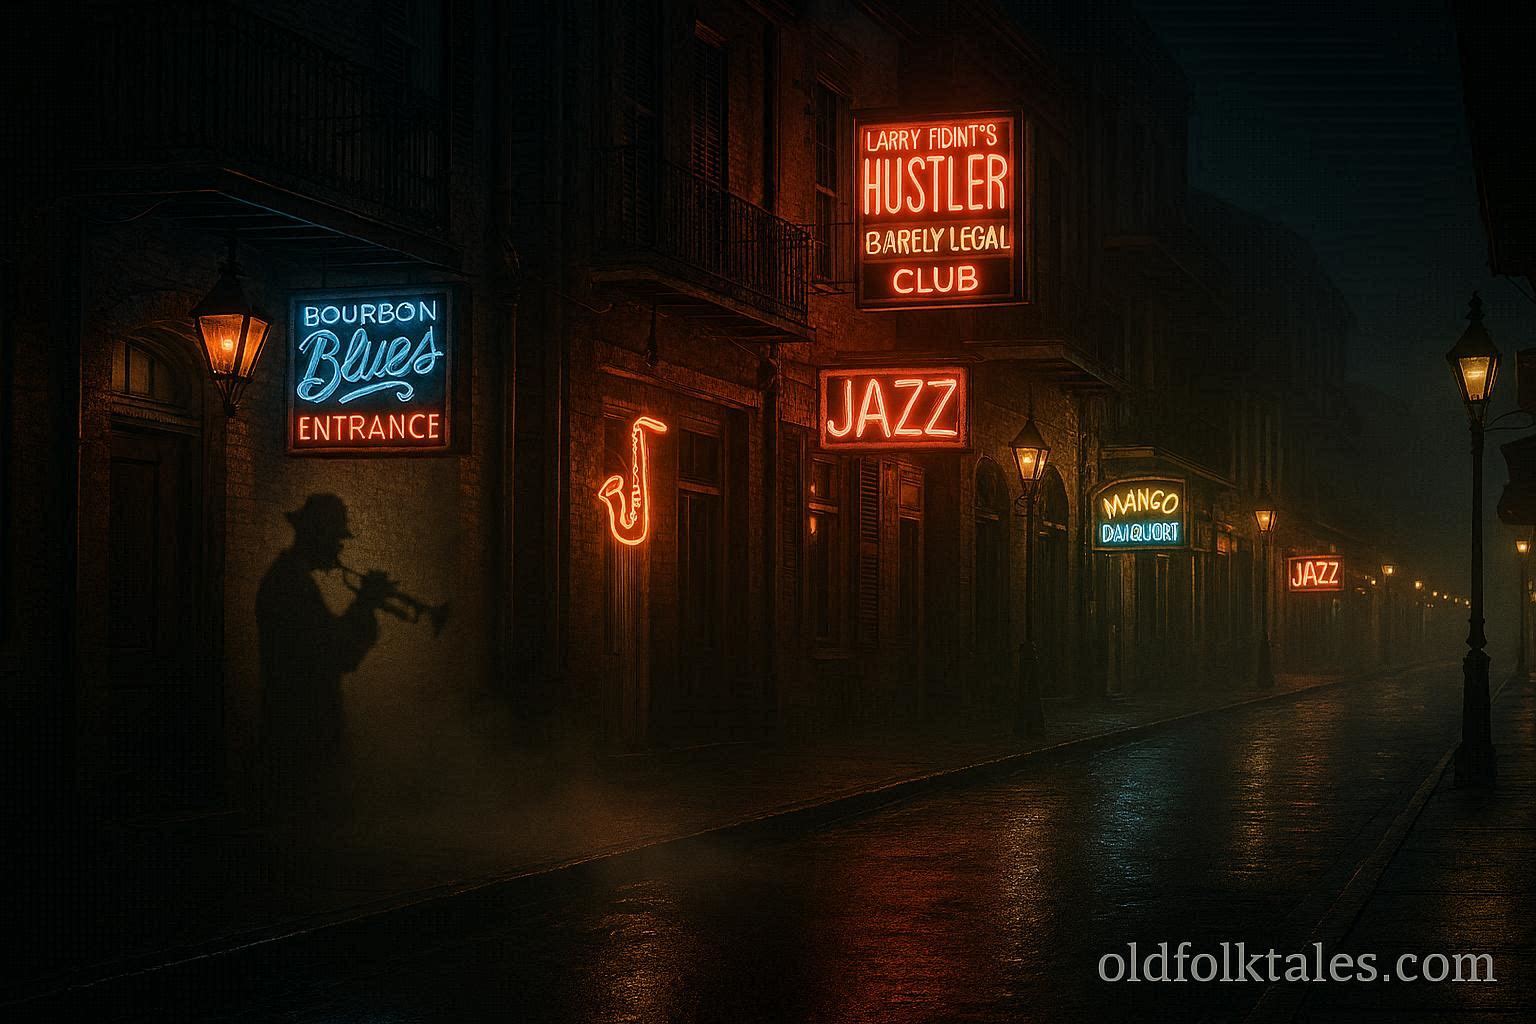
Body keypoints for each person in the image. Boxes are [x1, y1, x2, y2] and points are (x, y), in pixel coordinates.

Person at [256, 494, 390, 819]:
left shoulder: (289, 579)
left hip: (299, 724)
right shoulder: (291, 586)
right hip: (302, 728)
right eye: (336, 539)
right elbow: (336, 654)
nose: (340, 549)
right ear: (318, 537)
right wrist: (364, 606)